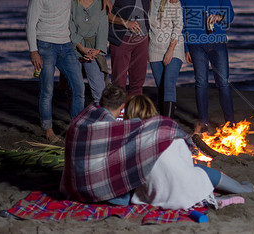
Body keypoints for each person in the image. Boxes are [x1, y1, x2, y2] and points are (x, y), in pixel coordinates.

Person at [60, 85, 188, 205]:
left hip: (72, 187)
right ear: (122, 106)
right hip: (92, 190)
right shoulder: (113, 127)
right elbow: (148, 127)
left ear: (102, 102)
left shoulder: (81, 119)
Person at [125, 95, 254, 210]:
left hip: (156, 196)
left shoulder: (129, 142)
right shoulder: (169, 131)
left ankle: (214, 198)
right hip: (183, 191)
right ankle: (241, 189)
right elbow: (188, 163)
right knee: (199, 170)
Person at [26, 0, 84, 143]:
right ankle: (48, 130)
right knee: (47, 89)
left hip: (66, 46)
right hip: (45, 46)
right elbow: (30, 24)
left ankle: (76, 128)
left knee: (79, 87)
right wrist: (33, 51)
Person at [179, 0, 235, 134]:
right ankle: (203, 122)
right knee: (201, 83)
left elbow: (231, 15)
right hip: (196, 44)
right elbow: (180, 23)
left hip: (217, 42)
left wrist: (220, 17)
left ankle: (231, 122)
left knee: (223, 83)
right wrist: (186, 47)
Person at [105, 0, 152, 97]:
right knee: (118, 81)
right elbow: (106, 13)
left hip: (142, 40)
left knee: (138, 82)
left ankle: (134, 115)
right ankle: (119, 116)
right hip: (121, 38)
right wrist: (126, 23)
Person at [148, 0, 185, 118]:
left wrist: (170, 50)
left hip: (174, 46)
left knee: (169, 84)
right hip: (155, 48)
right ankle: (163, 120)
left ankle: (167, 125)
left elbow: (179, 25)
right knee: (161, 88)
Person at [69, 0, 109, 105]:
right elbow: (70, 28)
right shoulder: (73, 3)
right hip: (75, 49)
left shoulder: (100, 3)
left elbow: (103, 28)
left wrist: (97, 50)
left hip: (93, 51)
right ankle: (78, 119)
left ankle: (102, 120)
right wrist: (81, 47)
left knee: (99, 88)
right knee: (77, 89)